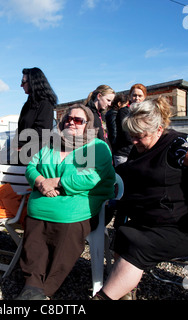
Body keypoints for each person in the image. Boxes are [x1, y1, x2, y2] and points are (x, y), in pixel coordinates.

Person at [94, 96, 188, 300]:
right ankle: (124, 294)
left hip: (186, 227)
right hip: (154, 223)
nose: (133, 140)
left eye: (140, 135)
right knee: (124, 233)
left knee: (137, 243)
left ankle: (103, 298)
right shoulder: (140, 148)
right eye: (131, 134)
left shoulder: (178, 145)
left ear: (159, 130)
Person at [16, 104, 115, 300]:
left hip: (80, 203)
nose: (71, 122)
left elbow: (90, 178)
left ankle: (46, 290)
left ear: (88, 125)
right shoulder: (50, 144)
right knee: (35, 236)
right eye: (68, 119)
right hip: (44, 201)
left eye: (78, 120)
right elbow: (31, 167)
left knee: (66, 229)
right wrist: (41, 182)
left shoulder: (98, 146)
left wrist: (57, 182)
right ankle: (32, 285)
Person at [13, 67, 57, 165]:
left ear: (33, 82)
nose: (21, 85)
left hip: (36, 159)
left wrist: (20, 143)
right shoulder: (27, 105)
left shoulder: (45, 104)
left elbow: (42, 131)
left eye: (23, 82)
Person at [112, 83, 147, 166]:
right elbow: (126, 134)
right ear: (130, 96)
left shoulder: (145, 113)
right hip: (124, 153)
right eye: (134, 95)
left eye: (140, 96)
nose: (137, 98)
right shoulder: (124, 112)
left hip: (139, 152)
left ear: (144, 97)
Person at [105, 93, 129, 166]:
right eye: (125, 105)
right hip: (118, 149)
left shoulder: (112, 113)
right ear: (119, 104)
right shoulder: (114, 114)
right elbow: (114, 132)